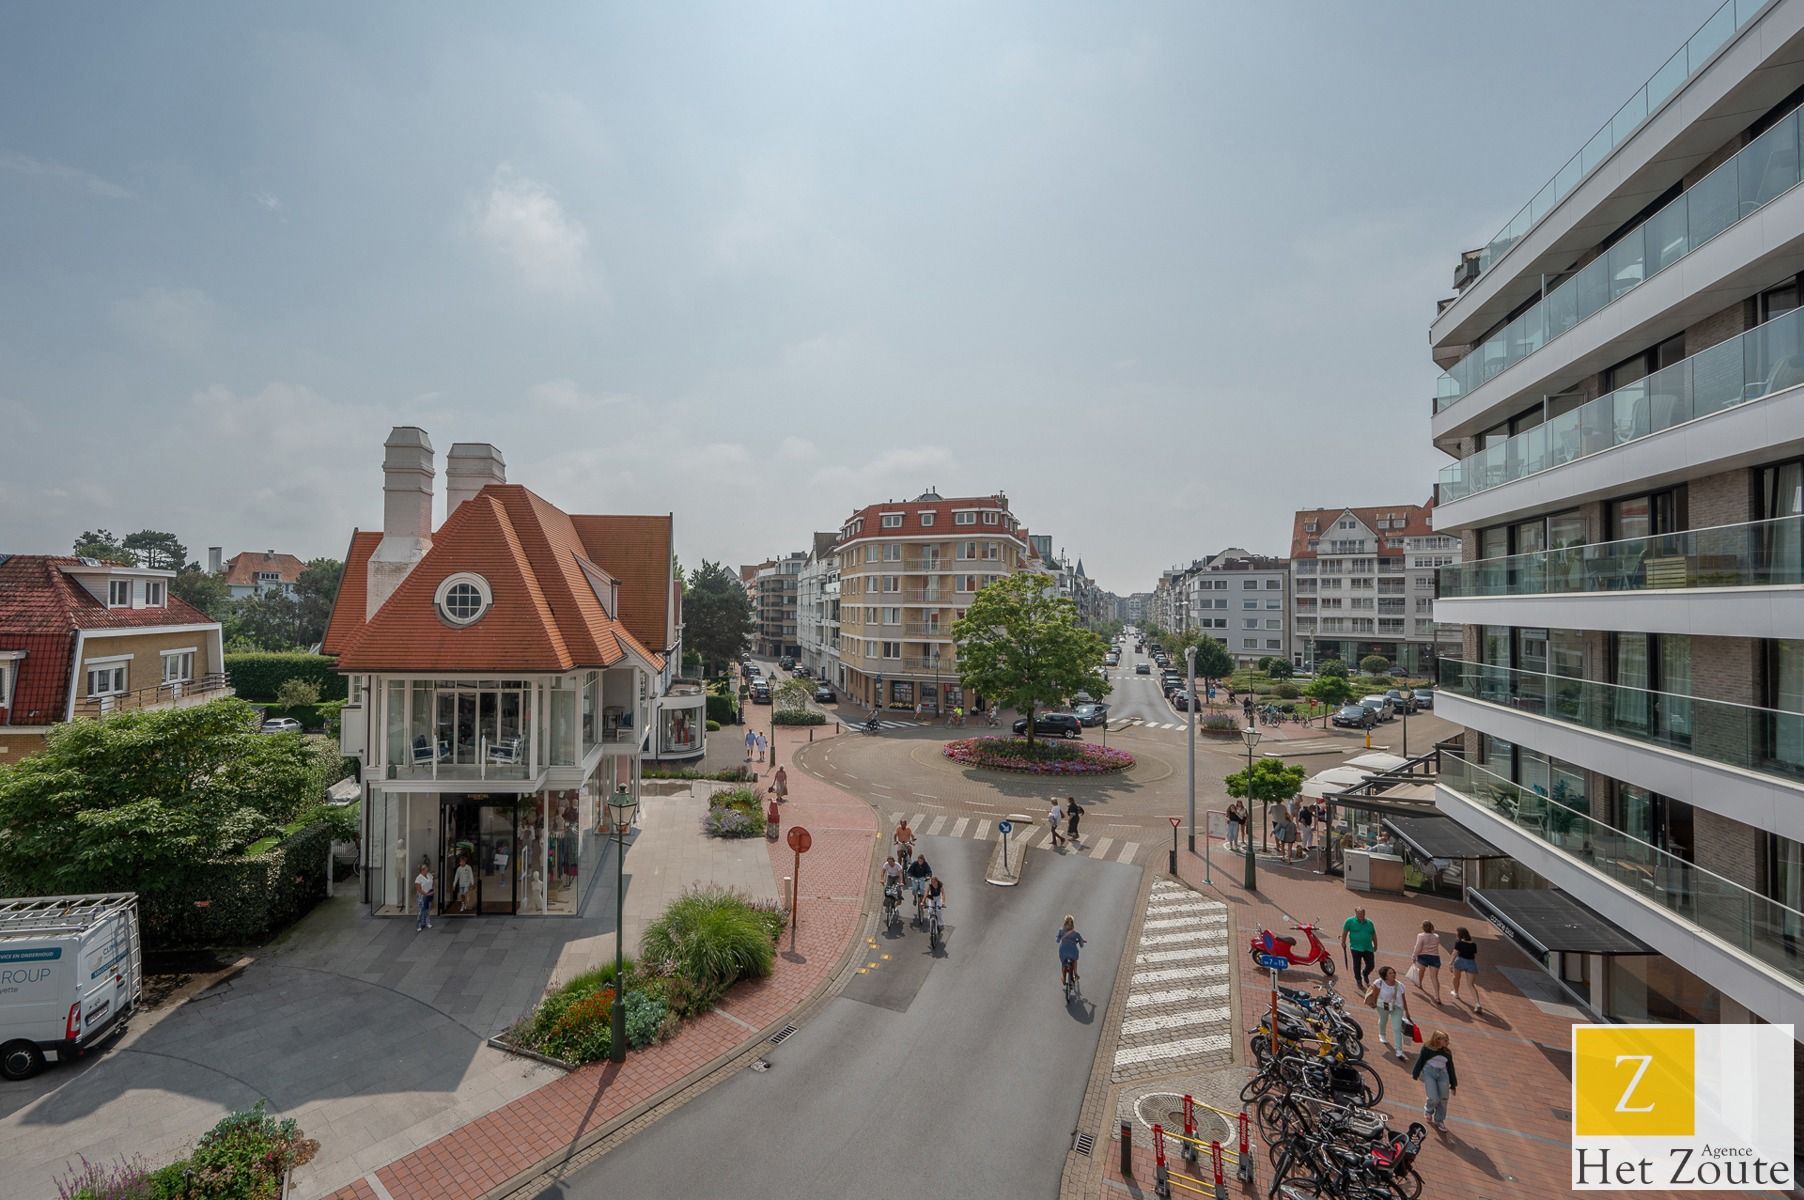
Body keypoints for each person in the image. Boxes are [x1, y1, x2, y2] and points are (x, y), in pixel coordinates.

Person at [1411, 1031, 1457, 1132]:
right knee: (1433, 1097)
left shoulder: (1447, 1052)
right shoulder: (1427, 1048)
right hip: (1429, 1073)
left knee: (1443, 1098)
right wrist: (1415, 1073)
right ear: (1438, 1040)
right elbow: (1421, 1060)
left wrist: (1453, 1085)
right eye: (1445, 1040)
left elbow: (1450, 1068)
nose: (1448, 1042)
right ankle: (1429, 1110)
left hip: (1443, 1074)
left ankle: (1439, 1120)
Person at [1373, 964, 1411, 1059]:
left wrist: (1407, 1011)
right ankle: (1382, 1034)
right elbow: (1375, 994)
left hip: (1397, 1008)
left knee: (1397, 1028)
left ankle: (1398, 1050)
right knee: (1383, 1020)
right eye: (1390, 973)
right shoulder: (1379, 983)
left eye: (1393, 972)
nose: (1393, 974)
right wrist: (1374, 1003)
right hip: (1383, 1006)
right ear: (1385, 976)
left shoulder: (1400, 985)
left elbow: (1403, 999)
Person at [1341, 906, 1377, 990]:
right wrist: (1343, 942)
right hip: (1355, 947)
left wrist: (1375, 945)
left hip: (1368, 947)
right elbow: (1345, 932)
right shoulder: (1349, 921)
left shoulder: (1369, 923)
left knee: (1371, 965)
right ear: (1356, 913)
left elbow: (1373, 934)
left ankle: (1365, 973)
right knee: (1357, 964)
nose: (1361, 915)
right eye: (1359, 914)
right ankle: (1358, 980)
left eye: (1363, 914)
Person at [1448, 926, 1483, 1013]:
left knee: (1456, 978)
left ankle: (1456, 993)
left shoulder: (1459, 943)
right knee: (1471, 984)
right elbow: (1474, 954)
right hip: (1471, 963)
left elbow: (1454, 954)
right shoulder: (1473, 944)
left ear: (1460, 934)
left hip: (1460, 961)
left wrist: (1450, 963)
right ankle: (1477, 1003)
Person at [1412, 920, 1444, 1003]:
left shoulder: (1420, 936)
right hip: (1434, 957)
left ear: (1423, 927)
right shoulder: (1437, 936)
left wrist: (1414, 956)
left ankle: (1419, 983)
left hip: (1423, 956)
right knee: (1434, 977)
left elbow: (1418, 947)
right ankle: (1437, 996)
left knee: (1421, 972)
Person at [1056, 914, 1086, 990]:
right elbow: (1081, 944)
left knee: (1063, 963)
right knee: (1075, 960)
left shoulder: (1060, 931)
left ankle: (1063, 977)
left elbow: (1058, 941)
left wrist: (1059, 938)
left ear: (1064, 923)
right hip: (1072, 952)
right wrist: (1081, 942)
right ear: (1073, 924)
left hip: (1063, 951)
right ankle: (1075, 973)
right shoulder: (1076, 934)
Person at [414, 858, 435, 931]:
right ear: (422, 870)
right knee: (421, 910)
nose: (427, 870)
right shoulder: (418, 878)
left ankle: (427, 922)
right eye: (426, 869)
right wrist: (426, 893)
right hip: (422, 895)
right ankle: (419, 925)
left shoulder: (429, 875)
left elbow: (432, 882)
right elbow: (418, 889)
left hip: (429, 893)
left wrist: (432, 891)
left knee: (427, 909)